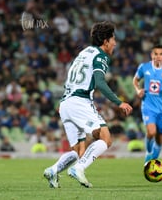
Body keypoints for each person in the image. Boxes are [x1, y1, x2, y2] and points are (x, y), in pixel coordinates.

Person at [43, 21, 133, 188]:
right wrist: (119, 102)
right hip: (80, 101)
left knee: (79, 152)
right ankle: (79, 169)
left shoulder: (84, 53)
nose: (115, 43)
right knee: (106, 138)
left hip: (66, 103)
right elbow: (99, 82)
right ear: (105, 41)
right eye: (113, 39)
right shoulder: (101, 55)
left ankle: (53, 170)